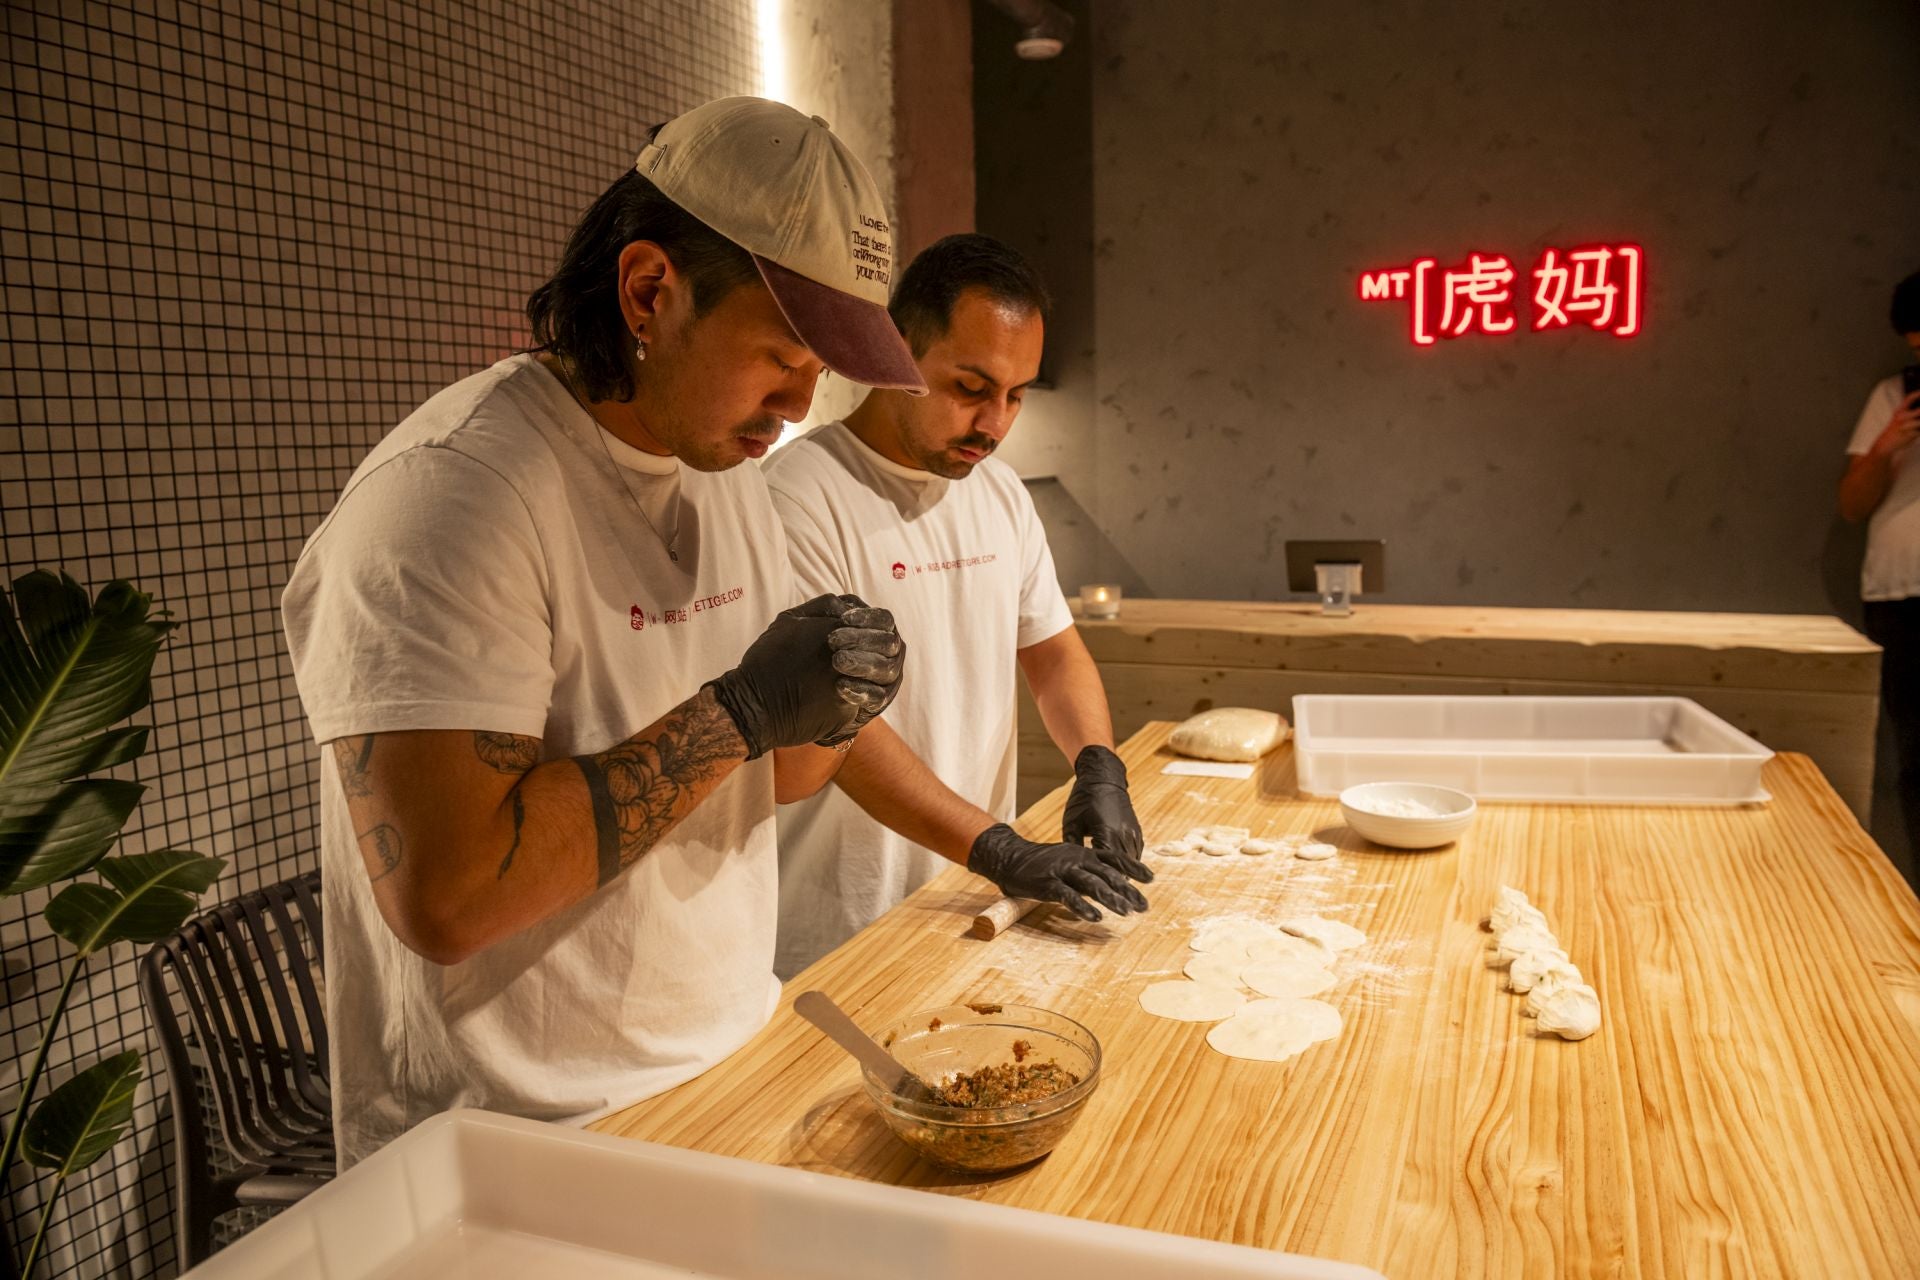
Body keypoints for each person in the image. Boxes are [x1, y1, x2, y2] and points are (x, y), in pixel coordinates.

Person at [284, 99, 1142, 1169]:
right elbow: (451, 896)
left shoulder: (722, 477)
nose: (799, 400)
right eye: (782, 353)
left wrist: (838, 692)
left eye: (821, 368)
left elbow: (778, 781)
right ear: (650, 290)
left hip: (735, 1056)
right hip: (520, 1136)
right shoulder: (453, 496)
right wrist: (739, 709)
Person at [763, 234, 1149, 978]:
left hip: (966, 903)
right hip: (836, 923)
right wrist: (997, 846)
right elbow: (835, 731)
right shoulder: (799, 498)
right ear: (893, 349)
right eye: (971, 388)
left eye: (1017, 394)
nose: (996, 424)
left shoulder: (999, 493)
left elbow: (1053, 653)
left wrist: (1099, 766)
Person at [1839, 268, 1920, 855]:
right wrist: (1887, 444)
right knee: (1915, 757)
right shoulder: (1893, 398)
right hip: (1898, 597)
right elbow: (1850, 505)